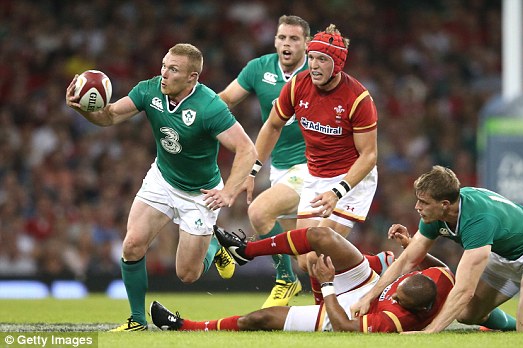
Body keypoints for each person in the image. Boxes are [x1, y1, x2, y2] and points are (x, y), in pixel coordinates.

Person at [65, 43, 258, 331]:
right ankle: (137, 320)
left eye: (173, 69)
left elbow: (247, 150)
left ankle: (216, 246)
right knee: (131, 245)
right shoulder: (149, 90)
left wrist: (228, 192)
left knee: (187, 275)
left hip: (199, 194)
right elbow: (110, 116)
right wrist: (82, 110)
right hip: (163, 180)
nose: (164, 73)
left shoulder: (209, 107)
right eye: (164, 65)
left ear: (192, 77)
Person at [351, 165, 523, 333]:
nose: (417, 207)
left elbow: (464, 289)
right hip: (504, 253)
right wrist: (370, 297)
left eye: (423, 202)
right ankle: (509, 325)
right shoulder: (438, 215)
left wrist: (431, 331)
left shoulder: (478, 221)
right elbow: (406, 260)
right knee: (468, 314)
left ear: (445, 204)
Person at [244, 24, 379, 303]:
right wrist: (253, 169)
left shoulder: (358, 99)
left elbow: (369, 155)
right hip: (315, 175)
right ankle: (377, 265)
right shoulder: (297, 85)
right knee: (306, 261)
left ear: (337, 63)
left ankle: (327, 308)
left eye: (323, 60)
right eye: (311, 57)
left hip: (352, 179)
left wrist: (337, 191)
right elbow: (272, 125)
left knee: (320, 250)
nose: (314, 65)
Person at [150, 226, 455, 333]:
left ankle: (182, 325)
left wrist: (328, 285)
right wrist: (411, 251)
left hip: (352, 309)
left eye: (397, 297)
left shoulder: (393, 320)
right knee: (320, 237)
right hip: (372, 282)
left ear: (407, 306)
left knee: (259, 318)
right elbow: (444, 269)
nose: (396, 294)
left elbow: (346, 327)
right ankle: (245, 250)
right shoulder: (439, 280)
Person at [217, 15, 311, 308]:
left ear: (306, 44)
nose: (287, 44)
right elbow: (226, 99)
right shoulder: (259, 68)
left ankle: (282, 278)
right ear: (275, 41)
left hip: (312, 167)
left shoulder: (317, 70)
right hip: (280, 167)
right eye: (282, 38)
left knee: (259, 214)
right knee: (305, 257)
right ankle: (377, 273)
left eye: (294, 39)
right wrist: (194, 112)